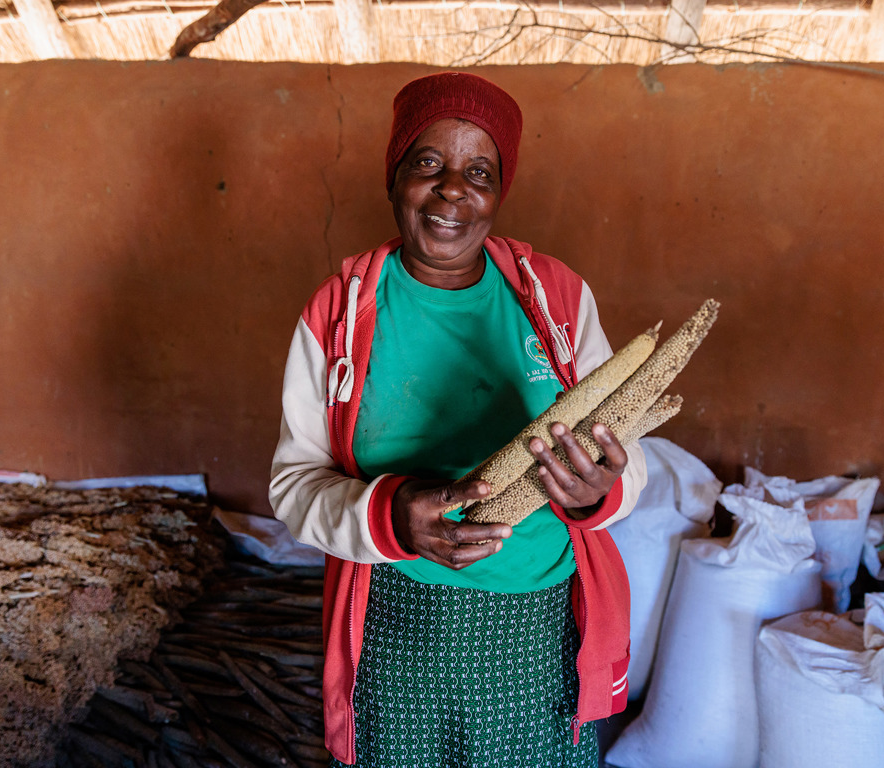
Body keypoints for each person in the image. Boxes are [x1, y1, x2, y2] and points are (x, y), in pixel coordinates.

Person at [269, 71, 648, 767]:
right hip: (397, 628)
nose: (453, 191)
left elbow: (624, 447)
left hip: (538, 631)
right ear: (394, 179)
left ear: (499, 193)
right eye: (428, 164)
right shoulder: (339, 314)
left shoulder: (555, 298)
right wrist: (392, 514)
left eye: (479, 171)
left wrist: (599, 490)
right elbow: (295, 486)